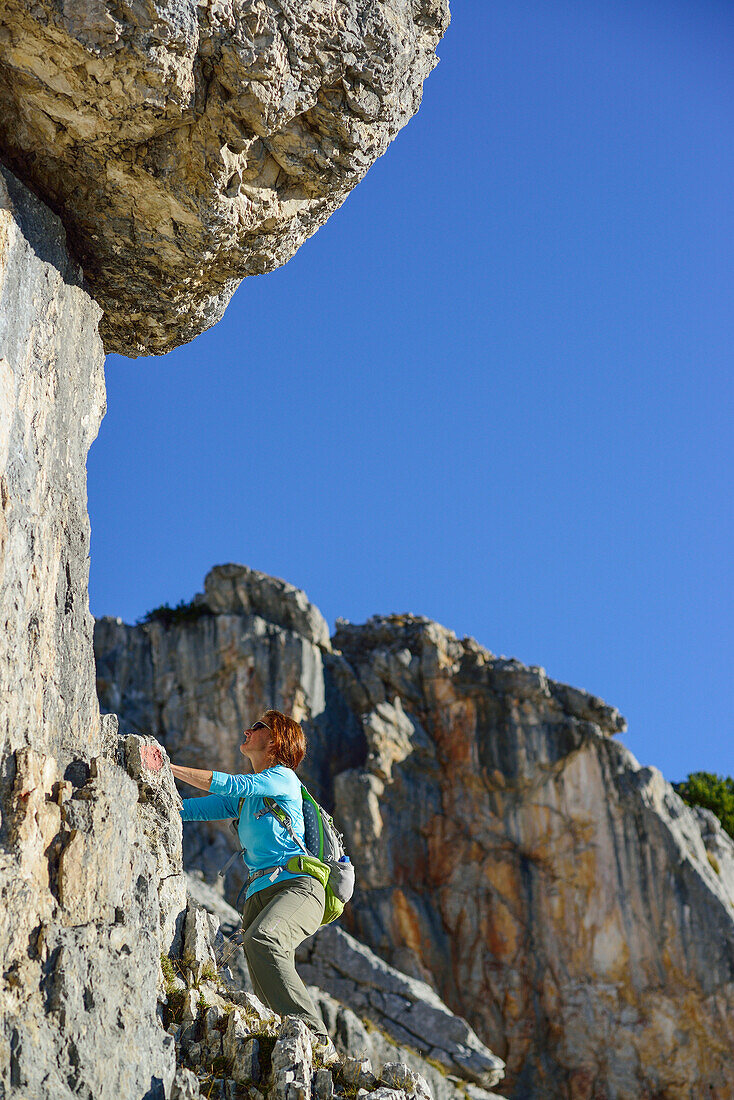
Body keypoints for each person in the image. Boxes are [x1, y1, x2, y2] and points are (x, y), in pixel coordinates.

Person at [172, 709, 338, 1063]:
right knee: (262, 970)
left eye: (258, 727)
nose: (247, 730)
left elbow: (231, 784)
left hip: (299, 886)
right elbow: (199, 808)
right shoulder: (252, 795)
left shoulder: (282, 779)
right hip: (259, 893)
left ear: (276, 740)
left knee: (265, 940)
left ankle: (319, 1043)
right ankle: (290, 1046)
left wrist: (167, 768)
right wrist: (153, 796)